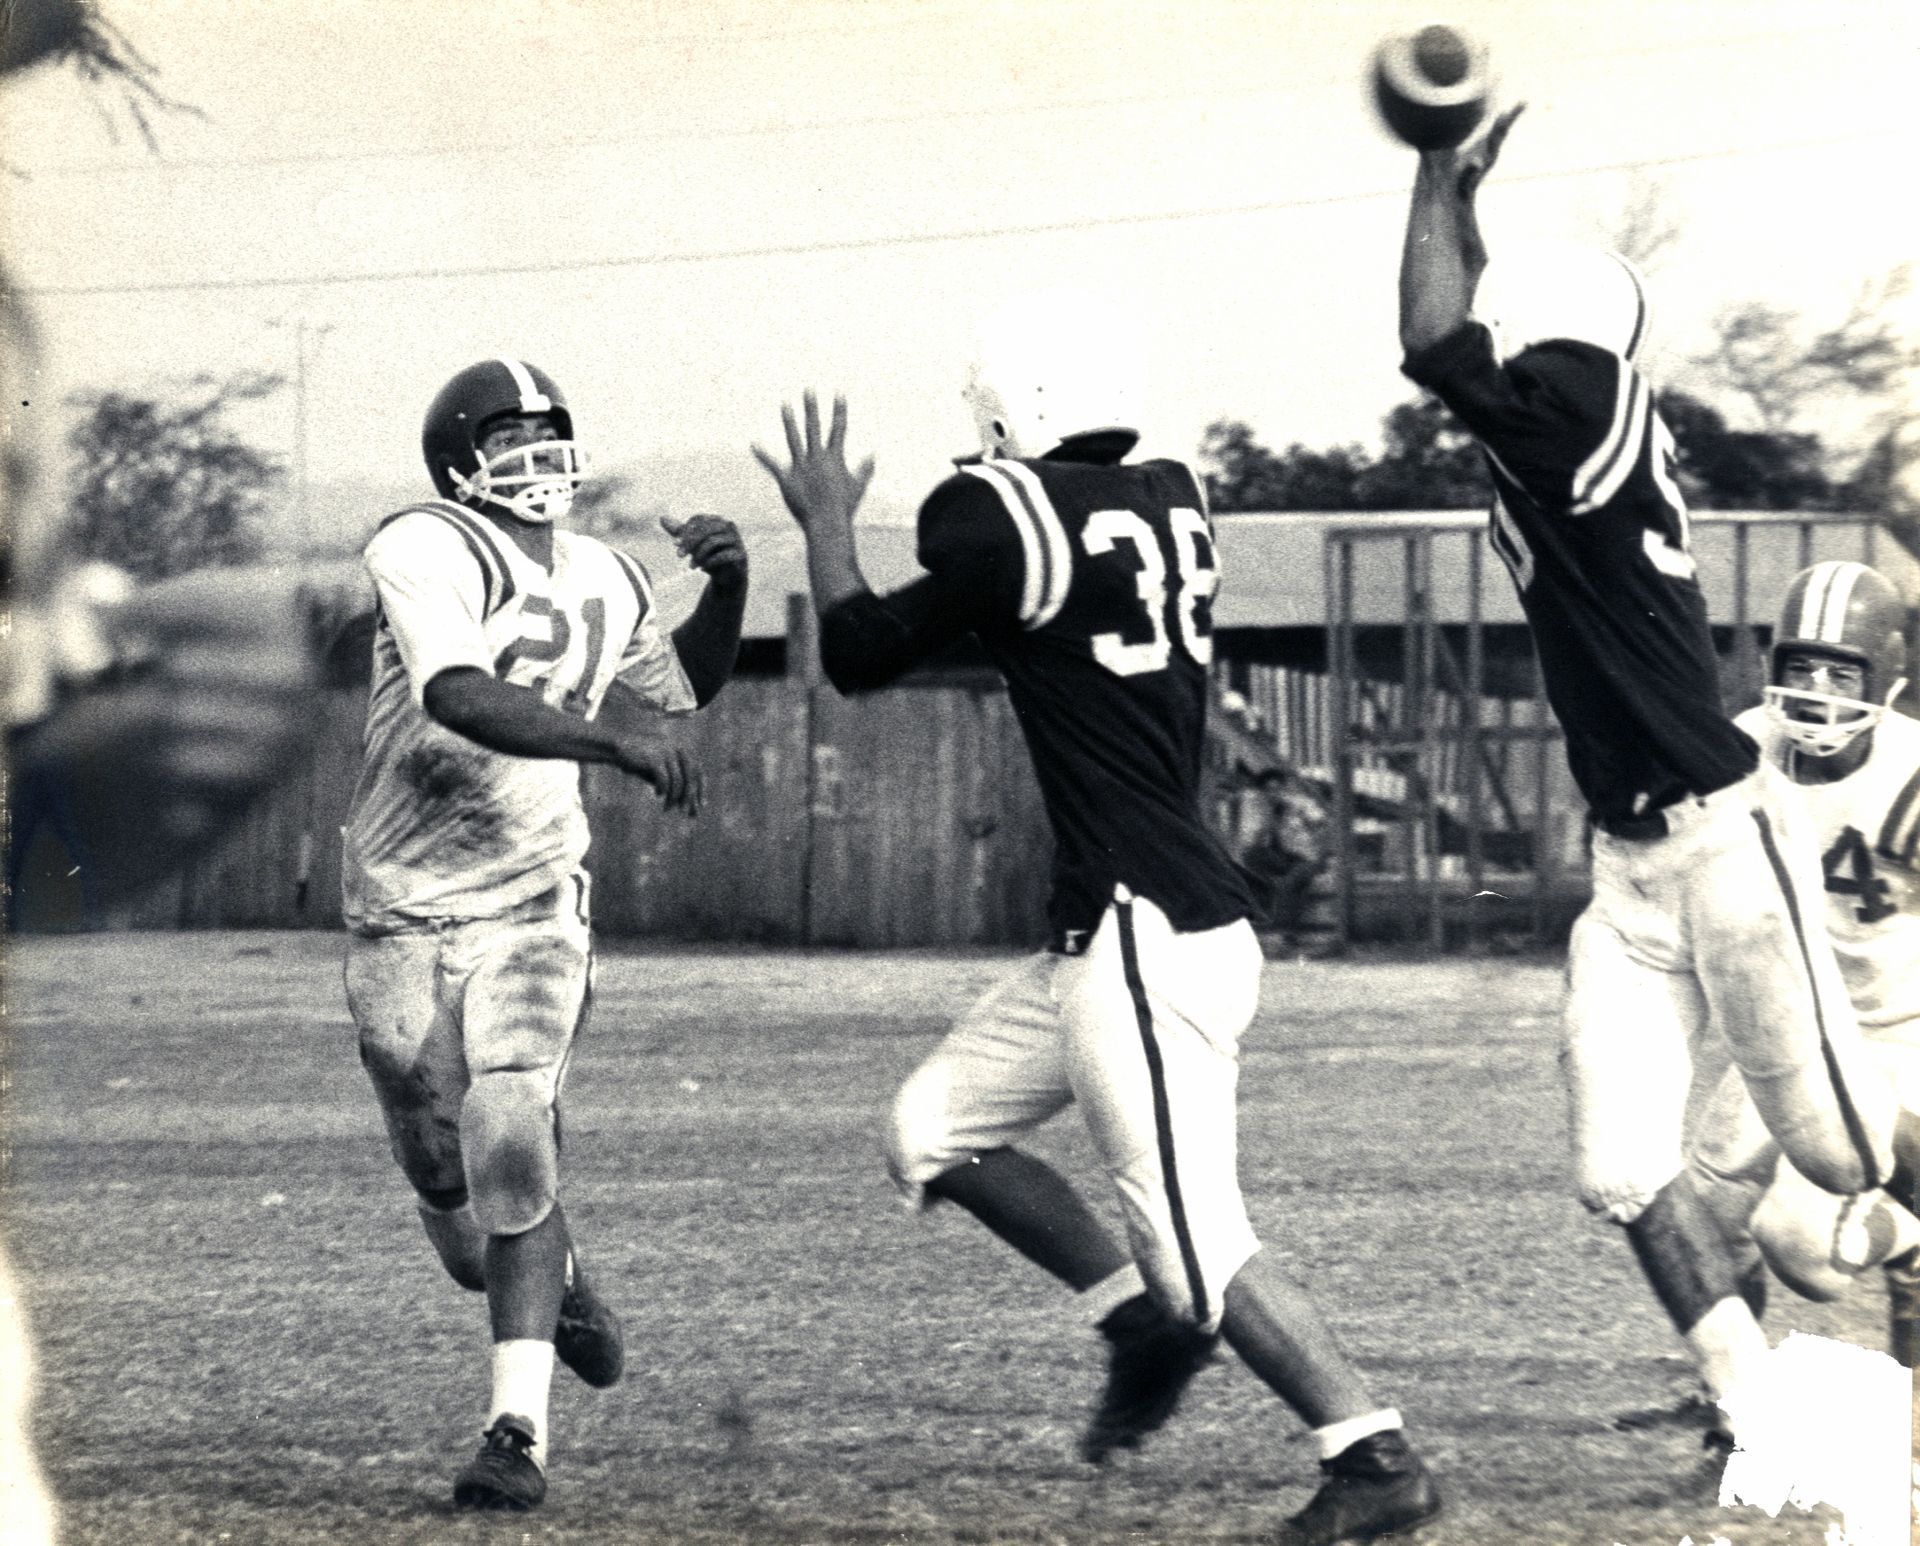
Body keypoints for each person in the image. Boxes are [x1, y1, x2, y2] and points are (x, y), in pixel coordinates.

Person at [752, 295, 1442, 1546]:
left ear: (1016, 414)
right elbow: (1045, 616)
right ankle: (1136, 1326)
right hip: (1116, 925)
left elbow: (857, 649)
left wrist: (829, 530)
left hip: (1148, 931)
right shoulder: (1177, 492)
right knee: (931, 1130)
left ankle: (1372, 1451)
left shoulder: (995, 513)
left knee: (1196, 1242)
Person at [1396, 108, 1896, 1461]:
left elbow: (1438, 344)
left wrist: (1434, 177)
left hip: (1729, 846)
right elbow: (1477, 331)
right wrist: (1461, 214)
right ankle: (1756, 1411)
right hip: (1629, 876)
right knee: (1621, 1168)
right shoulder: (1567, 416)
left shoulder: (1588, 402)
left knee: (1845, 1167)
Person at [341, 358, 747, 1511]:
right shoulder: (422, 543)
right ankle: (558, 1276)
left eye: (550, 431)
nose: (538, 454)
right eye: (508, 435)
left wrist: (728, 588)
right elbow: (456, 692)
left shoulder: (608, 570)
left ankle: (514, 1435)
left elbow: (681, 691)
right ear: (458, 461)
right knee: (455, 1202)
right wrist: (604, 743)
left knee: (512, 1127)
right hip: (401, 901)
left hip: (532, 894)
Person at [1682, 561, 1920, 1364]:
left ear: (1884, 674)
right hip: (1793, 1029)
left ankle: (1909, 1236)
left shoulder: (1912, 775)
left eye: (1842, 669)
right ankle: (1733, 1402)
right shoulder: (1747, 748)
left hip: (1898, 1034)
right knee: (1704, 1216)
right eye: (1802, 666)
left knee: (1802, 1246)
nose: (1819, 689)